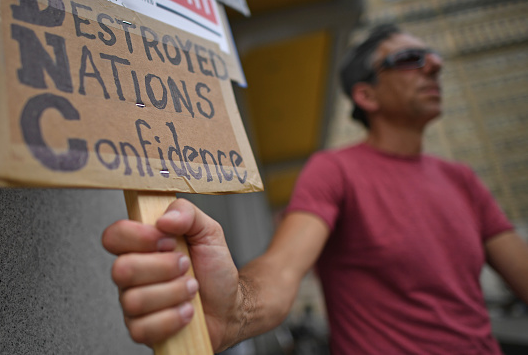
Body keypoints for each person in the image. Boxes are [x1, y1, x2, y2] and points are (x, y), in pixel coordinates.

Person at [102, 24, 528, 354]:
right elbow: (284, 268)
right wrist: (235, 312)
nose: (434, 65)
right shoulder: (334, 171)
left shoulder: (463, 180)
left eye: (433, 57)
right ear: (366, 95)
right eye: (410, 58)